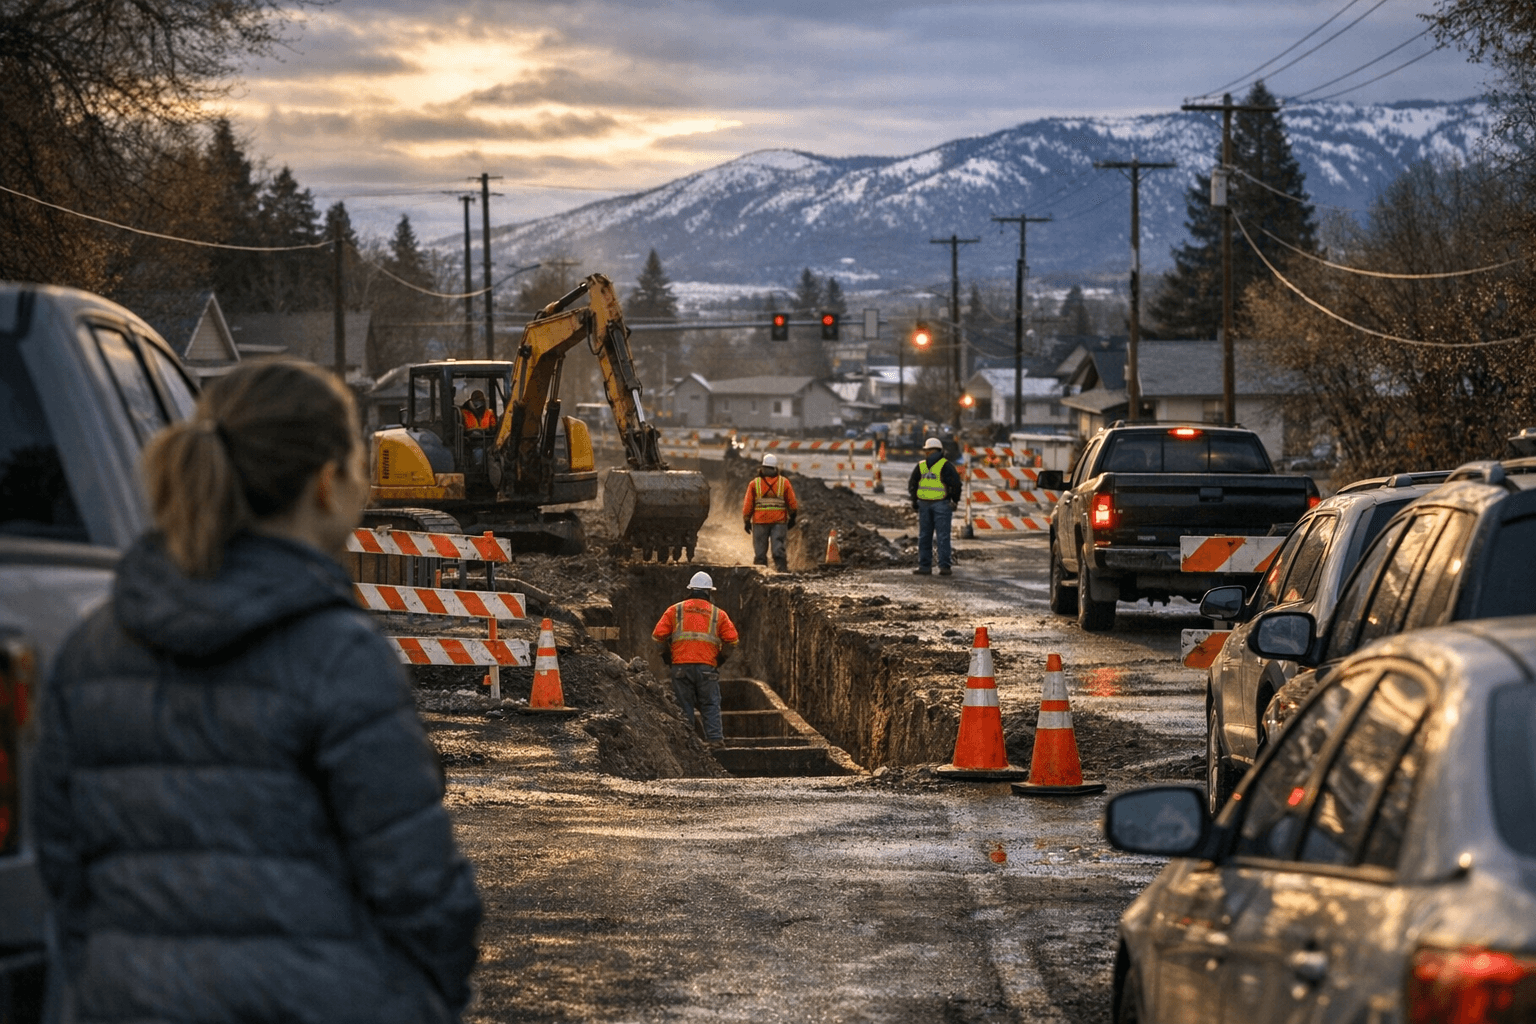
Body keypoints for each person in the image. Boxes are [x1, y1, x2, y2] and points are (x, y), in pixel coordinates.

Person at [32, 360, 482, 1024]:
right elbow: (423, 893)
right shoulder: (340, 658)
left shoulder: (88, 651)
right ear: (328, 485)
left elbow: (65, 883)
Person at [651, 571, 739, 748]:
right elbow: (733, 640)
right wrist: (720, 659)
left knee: (684, 706)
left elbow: (658, 636)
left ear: (691, 590)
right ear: (708, 592)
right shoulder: (718, 614)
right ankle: (715, 741)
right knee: (710, 704)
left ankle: (688, 746)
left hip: (680, 667)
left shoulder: (675, 610)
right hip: (707, 667)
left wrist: (667, 656)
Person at [907, 436, 962, 576]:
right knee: (943, 536)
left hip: (924, 505)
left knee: (925, 536)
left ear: (928, 451)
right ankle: (944, 567)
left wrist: (914, 501)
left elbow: (912, 484)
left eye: (926, 450)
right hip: (942, 504)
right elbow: (956, 484)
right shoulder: (947, 466)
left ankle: (924, 566)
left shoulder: (921, 466)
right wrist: (954, 500)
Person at [741, 453, 798, 571]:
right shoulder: (784, 482)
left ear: (762, 467)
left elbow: (748, 504)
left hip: (760, 521)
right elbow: (792, 502)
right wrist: (793, 517)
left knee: (760, 552)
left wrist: (746, 520)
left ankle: (760, 574)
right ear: (775, 468)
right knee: (778, 549)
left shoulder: (754, 483)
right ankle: (782, 572)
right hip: (779, 522)